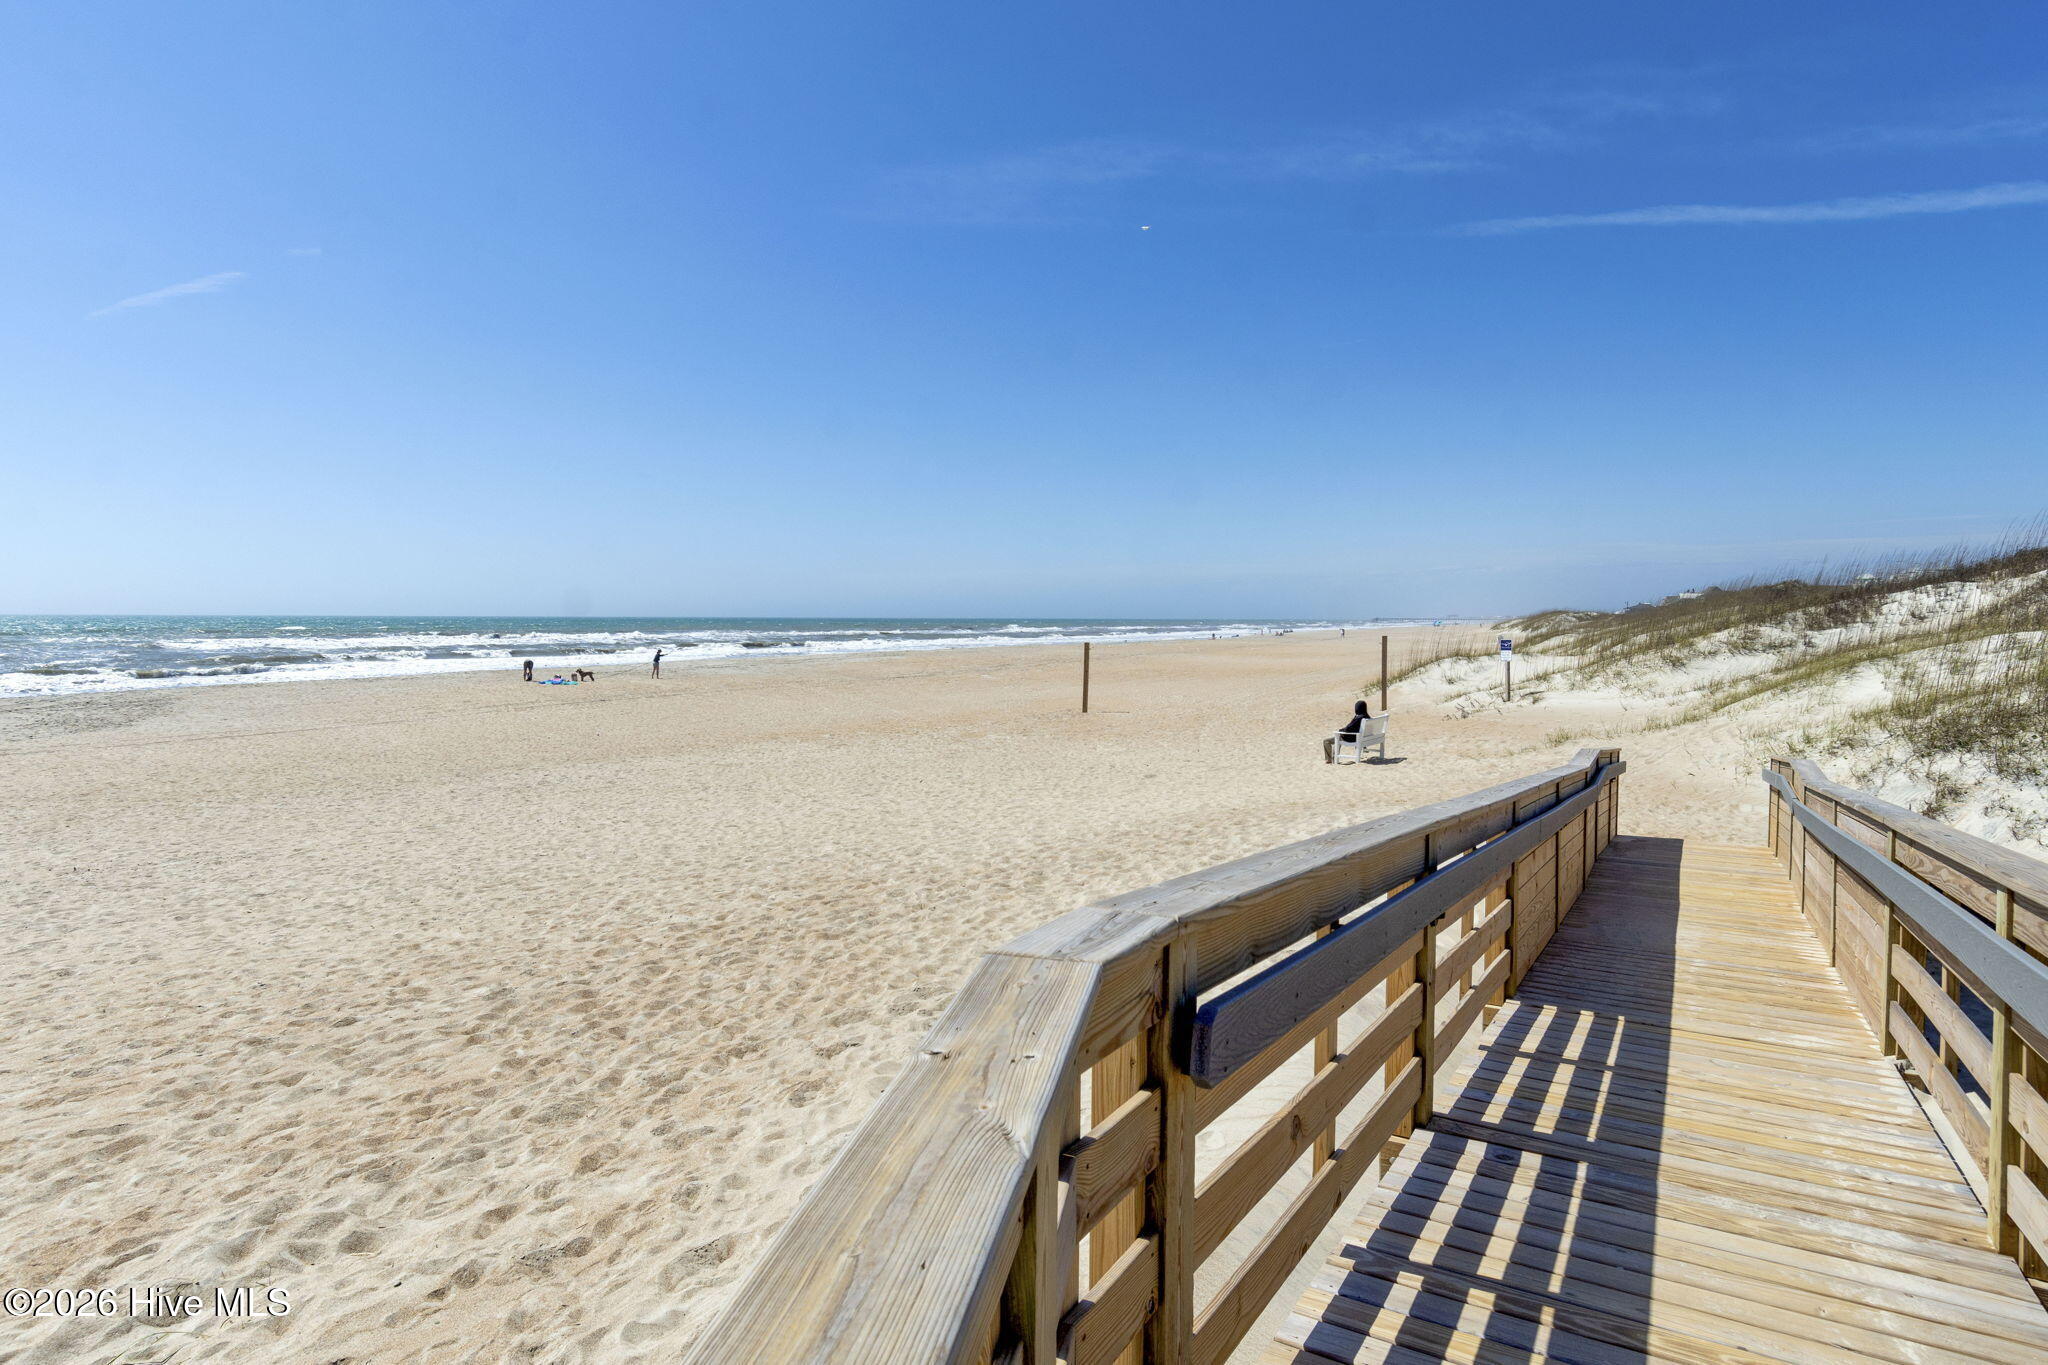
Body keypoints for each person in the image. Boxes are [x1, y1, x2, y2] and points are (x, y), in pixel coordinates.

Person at [1323, 699, 1373, 764]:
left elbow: (1348, 728)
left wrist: (1341, 730)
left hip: (1351, 738)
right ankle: (1333, 757)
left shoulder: (1359, 718)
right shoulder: (1367, 717)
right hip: (1362, 738)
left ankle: (1329, 759)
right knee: (1339, 735)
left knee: (1326, 741)